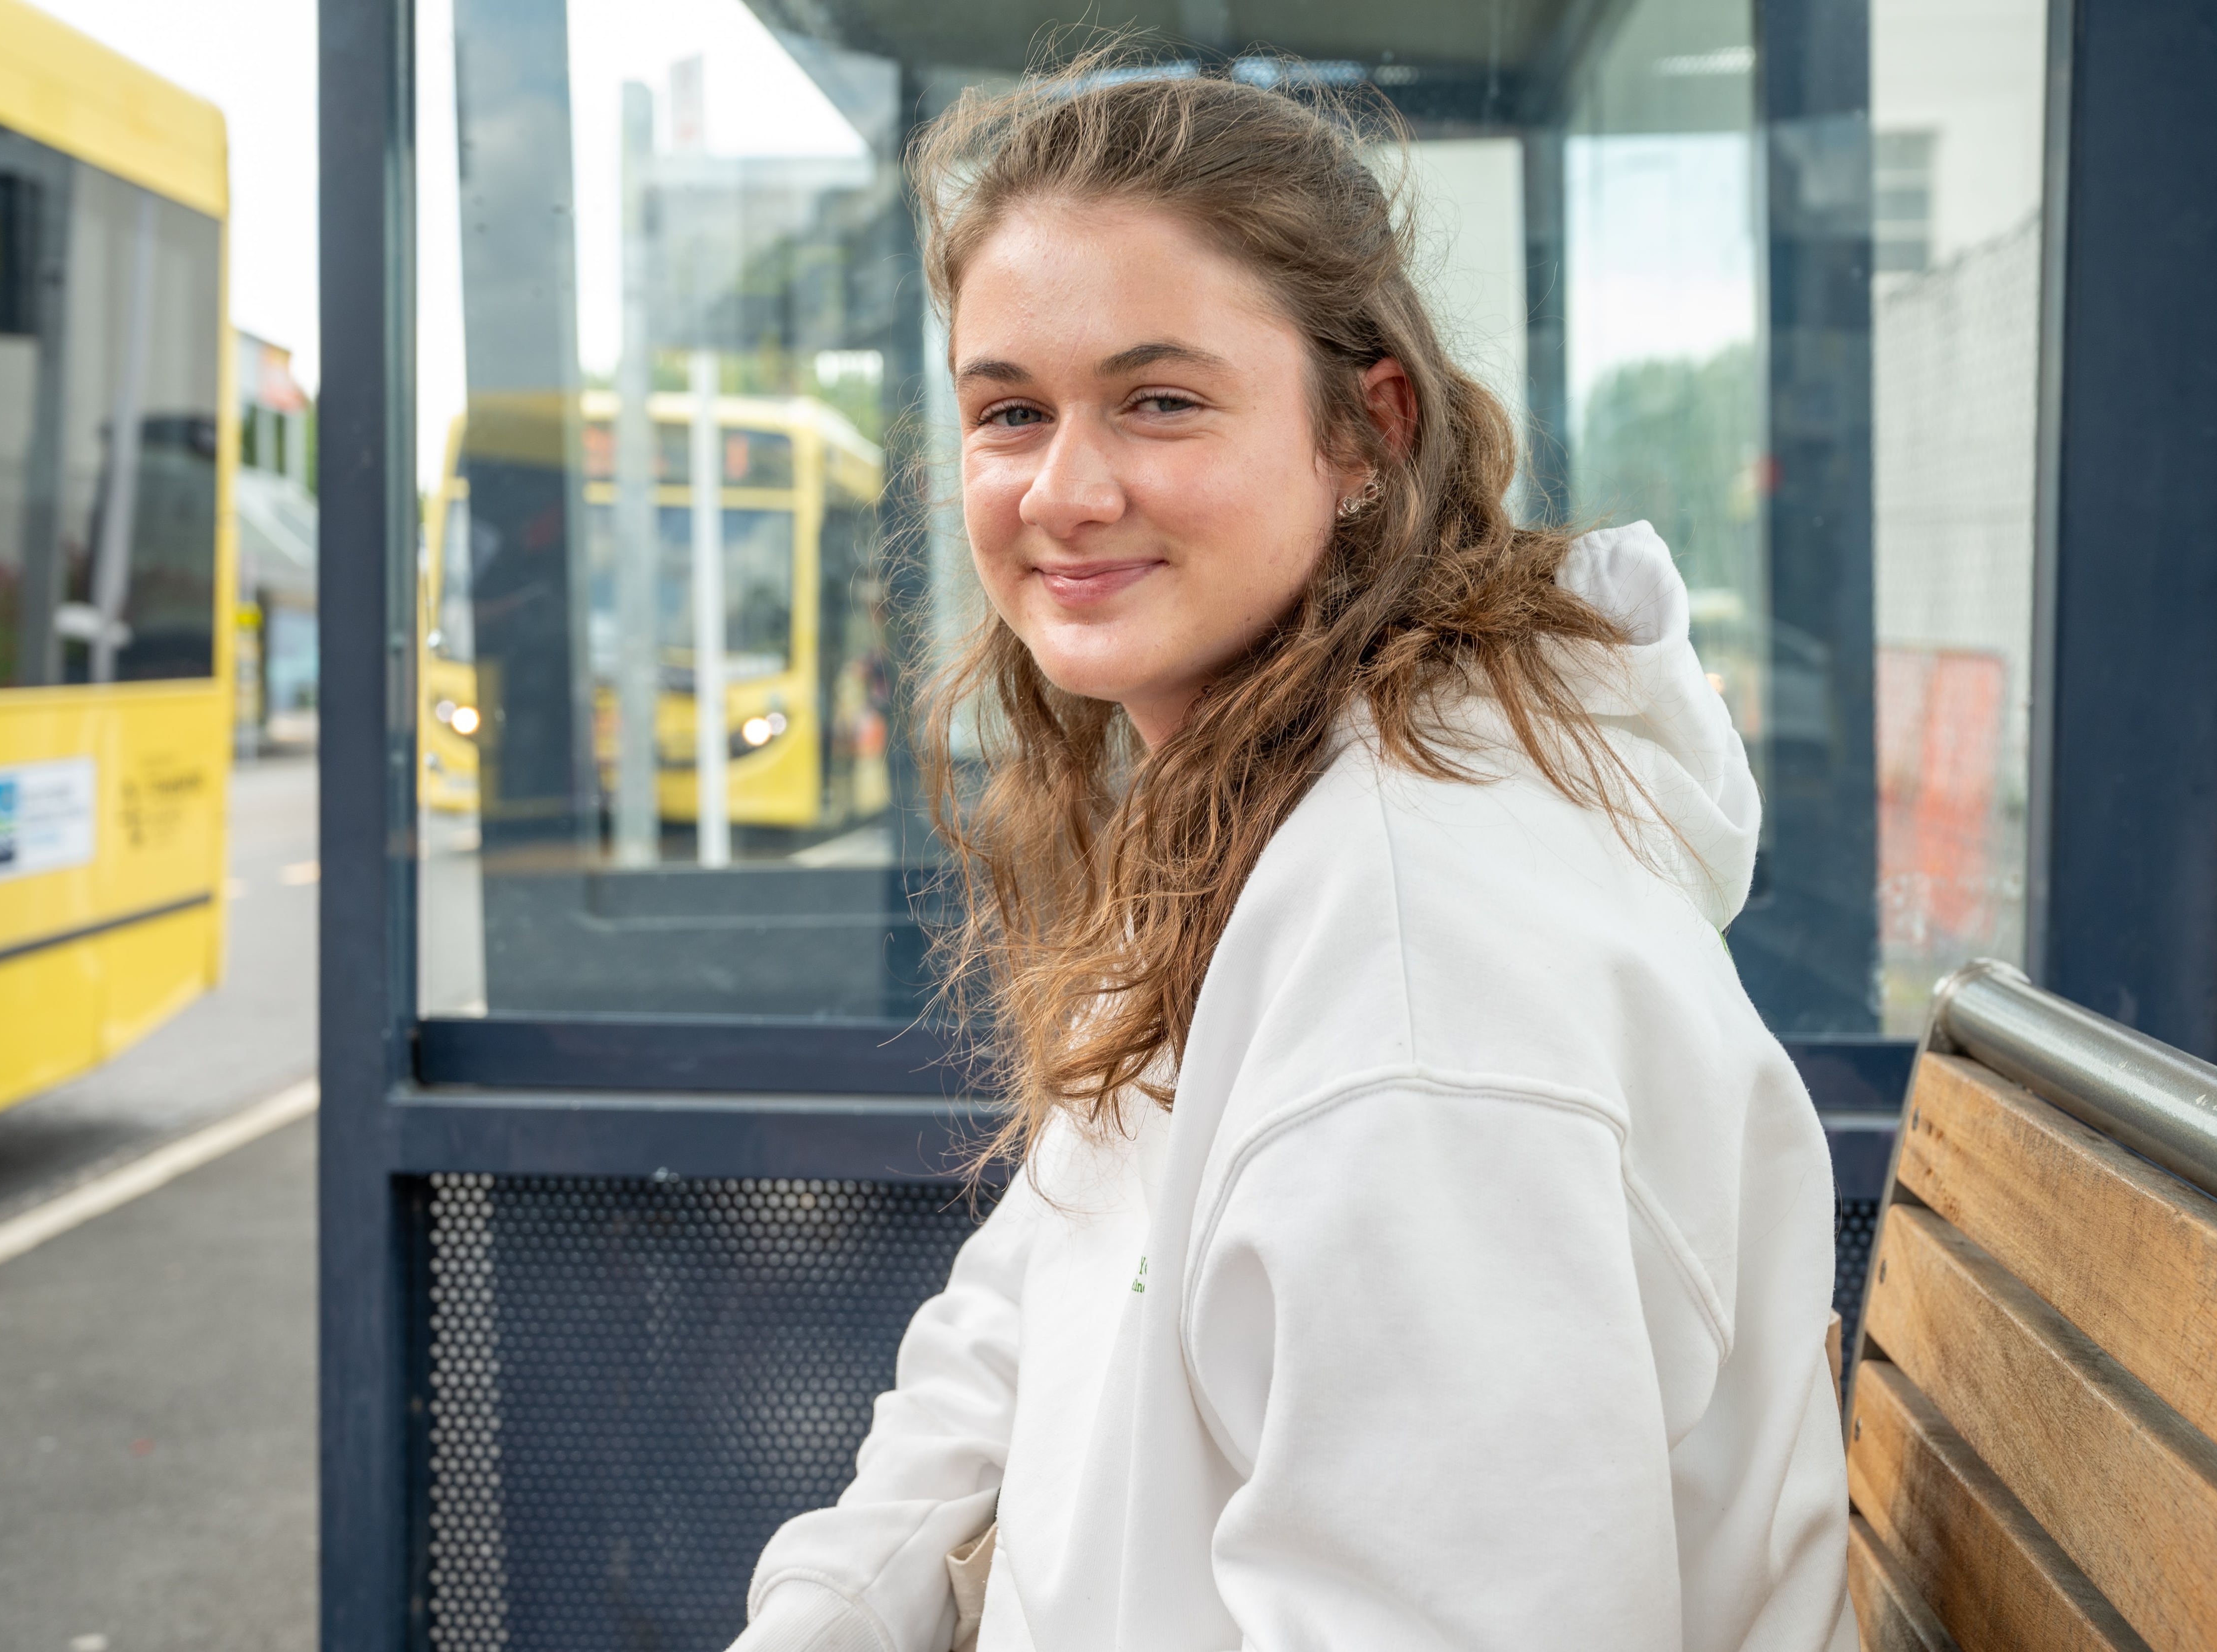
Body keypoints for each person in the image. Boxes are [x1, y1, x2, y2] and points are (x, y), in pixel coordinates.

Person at [727, 57, 1854, 1652]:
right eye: (1009, 413)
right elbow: (1031, 1301)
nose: (1065, 488)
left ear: (1364, 430)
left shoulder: (1415, 965)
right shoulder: (1257, 819)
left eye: (1160, 400)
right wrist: (829, 1612)